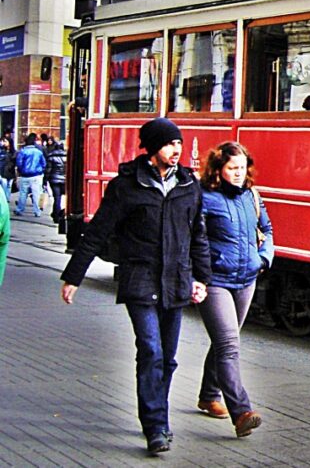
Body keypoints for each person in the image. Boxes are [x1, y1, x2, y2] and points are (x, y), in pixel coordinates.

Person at [60, 117, 211, 455]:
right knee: (151, 351)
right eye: (169, 144)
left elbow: (198, 236)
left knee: (168, 359)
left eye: (179, 144)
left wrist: (202, 278)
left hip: (176, 281)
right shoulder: (127, 185)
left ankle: (160, 419)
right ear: (153, 147)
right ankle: (156, 426)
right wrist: (73, 276)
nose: (176, 150)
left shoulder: (188, 185)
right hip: (140, 280)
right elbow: (97, 231)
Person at [196, 142, 273, 438]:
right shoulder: (205, 198)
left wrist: (263, 259)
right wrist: (198, 275)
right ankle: (241, 412)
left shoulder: (252, 196)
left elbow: (267, 230)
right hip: (215, 280)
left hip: (246, 278)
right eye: (232, 168)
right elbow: (195, 240)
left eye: (242, 168)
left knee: (224, 340)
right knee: (229, 344)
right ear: (218, 169)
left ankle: (208, 395)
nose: (239, 174)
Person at [14, 133, 46, 217]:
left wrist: (21, 171)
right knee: (36, 194)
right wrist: (40, 170)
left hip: (25, 176)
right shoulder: (38, 152)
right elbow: (44, 163)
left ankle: (19, 209)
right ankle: (37, 211)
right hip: (36, 175)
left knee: (23, 194)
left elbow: (19, 163)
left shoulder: (23, 151)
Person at [44, 136, 67, 223]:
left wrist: (45, 180)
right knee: (65, 198)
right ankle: (62, 213)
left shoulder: (51, 156)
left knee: (57, 198)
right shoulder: (67, 156)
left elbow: (48, 170)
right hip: (64, 179)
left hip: (54, 179)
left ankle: (56, 215)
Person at [0, 136, 14, 204]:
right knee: (4, 185)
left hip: (11, 171)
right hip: (3, 171)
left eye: (5, 141)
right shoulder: (1, 151)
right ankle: (5, 199)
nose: (3, 143)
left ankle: (7, 198)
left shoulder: (13, 151)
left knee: (9, 186)